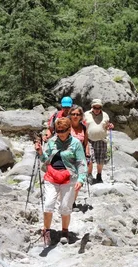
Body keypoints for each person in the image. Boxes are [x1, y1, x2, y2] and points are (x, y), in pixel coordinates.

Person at [34, 117, 87, 246]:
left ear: (69, 129)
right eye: (58, 130)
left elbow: (81, 162)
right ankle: (46, 231)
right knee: (48, 203)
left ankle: (64, 231)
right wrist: (40, 151)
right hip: (52, 177)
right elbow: (45, 159)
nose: (60, 133)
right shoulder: (52, 142)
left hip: (69, 178)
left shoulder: (75, 143)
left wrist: (81, 179)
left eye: (63, 130)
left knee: (65, 207)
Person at [84, 99, 114, 184]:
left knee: (100, 159)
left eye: (99, 107)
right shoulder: (86, 115)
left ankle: (99, 175)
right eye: (95, 107)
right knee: (89, 158)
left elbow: (107, 126)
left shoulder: (105, 115)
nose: (97, 109)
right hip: (89, 139)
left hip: (101, 139)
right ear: (92, 107)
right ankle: (89, 175)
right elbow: (82, 125)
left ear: (101, 107)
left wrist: (110, 126)